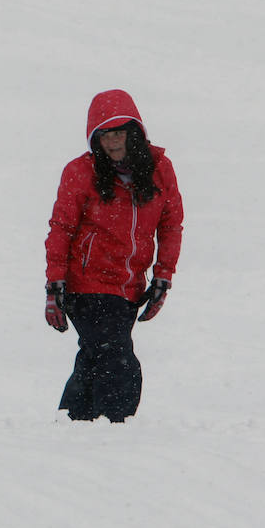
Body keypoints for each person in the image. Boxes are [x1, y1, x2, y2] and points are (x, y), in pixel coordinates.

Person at [44, 89, 184, 422]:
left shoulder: (160, 170)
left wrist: (163, 276)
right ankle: (116, 426)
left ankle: (75, 421)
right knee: (118, 360)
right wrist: (54, 285)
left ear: (134, 132)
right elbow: (60, 228)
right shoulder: (80, 172)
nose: (113, 141)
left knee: (96, 356)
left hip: (129, 288)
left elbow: (171, 224)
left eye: (119, 132)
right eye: (105, 134)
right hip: (86, 285)